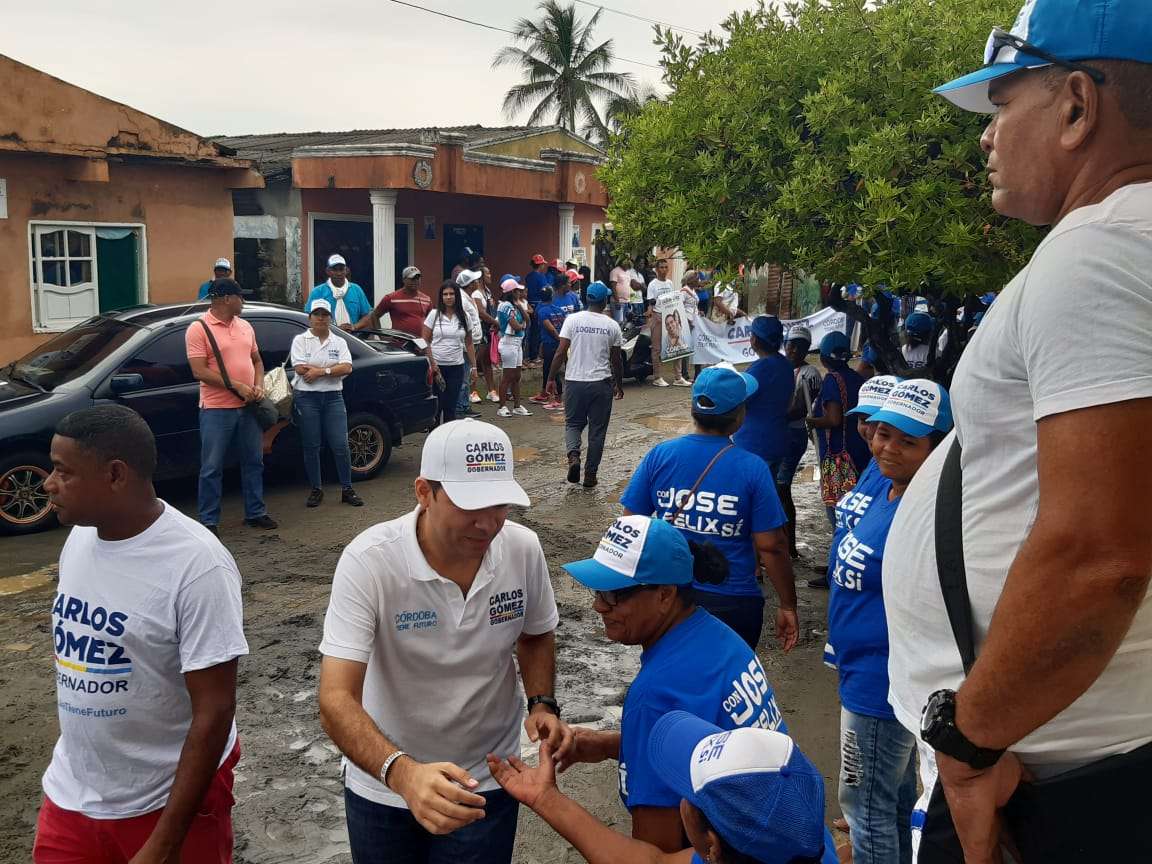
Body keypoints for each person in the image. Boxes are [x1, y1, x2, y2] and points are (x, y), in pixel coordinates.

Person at [884, 3, 1152, 861]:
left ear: (1077, 105)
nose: (986, 135)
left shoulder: (1103, 250)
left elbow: (1098, 555)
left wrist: (967, 746)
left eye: (1003, 103)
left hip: (1044, 782)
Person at [317, 419, 568, 864]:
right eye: (470, 505)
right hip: (384, 787)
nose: (487, 523)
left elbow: (535, 633)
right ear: (424, 492)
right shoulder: (370, 561)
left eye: (499, 505)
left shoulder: (523, 549)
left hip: (487, 781)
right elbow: (336, 698)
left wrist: (542, 702)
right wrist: (403, 774)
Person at [33, 405, 247, 864]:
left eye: (63, 471)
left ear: (115, 474)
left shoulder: (196, 565)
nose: (48, 484)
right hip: (72, 796)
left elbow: (215, 708)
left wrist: (163, 844)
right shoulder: (82, 538)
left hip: (164, 805)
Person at [553, 515, 789, 852]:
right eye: (597, 591)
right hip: (782, 836)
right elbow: (708, 743)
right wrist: (611, 746)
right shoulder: (720, 639)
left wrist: (545, 798)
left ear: (665, 595)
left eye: (612, 594)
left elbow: (655, 853)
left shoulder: (656, 693)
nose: (597, 605)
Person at [827, 380, 952, 864]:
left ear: (937, 447)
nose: (887, 447)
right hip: (865, 673)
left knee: (866, 807)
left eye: (907, 440)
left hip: (879, 685)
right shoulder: (890, 490)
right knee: (893, 801)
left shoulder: (927, 510)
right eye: (882, 433)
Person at [490, 709, 839, 864]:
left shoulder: (724, 849)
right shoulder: (801, 840)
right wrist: (546, 798)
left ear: (711, 847)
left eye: (684, 790)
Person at [621, 364, 798, 651]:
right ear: (739, 417)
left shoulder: (660, 455)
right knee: (726, 683)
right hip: (732, 604)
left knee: (672, 679)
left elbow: (631, 525)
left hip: (669, 598)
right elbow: (772, 546)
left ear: (693, 408)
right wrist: (788, 604)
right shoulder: (752, 468)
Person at [184, 278, 276, 534]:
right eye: (240, 297)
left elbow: (257, 361)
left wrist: (258, 385)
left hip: (249, 407)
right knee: (212, 467)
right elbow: (198, 370)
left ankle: (255, 512)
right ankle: (209, 520)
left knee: (254, 461)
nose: (243, 301)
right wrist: (237, 386)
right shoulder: (198, 328)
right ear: (226, 299)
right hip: (216, 408)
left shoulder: (245, 326)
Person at [808, 374, 900, 591]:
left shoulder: (897, 479)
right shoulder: (874, 466)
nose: (870, 431)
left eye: (880, 423)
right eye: (862, 420)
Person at [544, 281, 623, 489]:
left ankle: (573, 457)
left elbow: (560, 352)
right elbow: (617, 360)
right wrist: (619, 384)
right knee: (597, 431)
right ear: (605, 300)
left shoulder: (572, 320)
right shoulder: (612, 325)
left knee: (573, 424)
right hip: (601, 383)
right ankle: (590, 475)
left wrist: (551, 378)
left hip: (575, 382)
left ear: (587, 299)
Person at [290, 298, 364, 509]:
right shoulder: (300, 340)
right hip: (306, 398)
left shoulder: (339, 342)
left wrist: (321, 371)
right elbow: (300, 369)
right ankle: (316, 488)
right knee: (312, 445)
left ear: (330, 318)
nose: (321, 319)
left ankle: (347, 489)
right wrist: (332, 369)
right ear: (310, 318)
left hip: (333, 397)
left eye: (325, 315)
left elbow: (347, 367)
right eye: (317, 314)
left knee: (340, 445)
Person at [806, 331, 870, 520]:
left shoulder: (832, 380)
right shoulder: (857, 378)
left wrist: (811, 421)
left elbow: (834, 419)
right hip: (859, 449)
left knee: (837, 507)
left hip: (838, 456)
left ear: (824, 358)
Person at [777, 325, 822, 558]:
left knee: (781, 489)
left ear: (806, 349)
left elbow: (800, 409)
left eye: (799, 346)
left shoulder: (810, 374)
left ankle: (789, 546)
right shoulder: (780, 368)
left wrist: (769, 414)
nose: (793, 349)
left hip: (792, 436)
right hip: (777, 435)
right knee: (776, 489)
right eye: (790, 344)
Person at [732, 316, 794, 481]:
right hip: (777, 439)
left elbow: (738, 399)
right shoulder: (786, 365)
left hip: (754, 443)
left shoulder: (760, 368)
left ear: (754, 340)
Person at [422, 281, 477, 427]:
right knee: (437, 407)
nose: (448, 297)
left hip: (457, 367)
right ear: (441, 297)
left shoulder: (464, 317)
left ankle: (448, 440)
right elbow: (425, 340)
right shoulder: (434, 315)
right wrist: (433, 364)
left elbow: (469, 343)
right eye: (445, 294)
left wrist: (474, 367)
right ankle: (434, 439)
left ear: (456, 296)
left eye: (451, 294)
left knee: (451, 407)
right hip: (437, 367)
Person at [533, 273, 583, 407]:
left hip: (571, 336)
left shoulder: (573, 296)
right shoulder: (551, 299)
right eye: (568, 283)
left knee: (570, 366)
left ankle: (569, 395)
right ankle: (546, 392)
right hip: (556, 339)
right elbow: (544, 323)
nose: (570, 285)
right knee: (549, 366)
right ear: (561, 285)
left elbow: (578, 314)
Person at [357, 265, 433, 337]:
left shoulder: (426, 299)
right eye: (412, 278)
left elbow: (432, 321)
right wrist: (382, 336)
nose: (415, 281)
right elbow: (375, 315)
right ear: (404, 280)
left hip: (421, 343)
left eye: (418, 278)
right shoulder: (391, 298)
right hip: (398, 344)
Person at [646, 259, 687, 387]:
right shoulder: (653, 284)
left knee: (677, 345)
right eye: (661, 267)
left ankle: (678, 377)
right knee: (657, 349)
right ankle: (657, 377)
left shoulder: (670, 283)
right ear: (657, 269)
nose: (664, 270)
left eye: (665, 267)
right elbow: (651, 303)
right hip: (658, 317)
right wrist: (650, 313)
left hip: (669, 317)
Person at [307, 254, 373, 331]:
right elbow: (308, 317)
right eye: (334, 269)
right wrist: (335, 330)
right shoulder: (318, 292)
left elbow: (367, 315)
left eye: (341, 269)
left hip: (353, 338)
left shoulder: (356, 290)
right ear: (328, 271)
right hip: (326, 338)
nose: (338, 273)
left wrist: (354, 327)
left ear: (346, 270)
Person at [495, 278, 531, 418]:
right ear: (512, 292)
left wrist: (519, 306)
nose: (520, 293)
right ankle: (502, 406)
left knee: (516, 376)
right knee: (507, 376)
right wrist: (521, 326)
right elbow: (517, 326)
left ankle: (516, 406)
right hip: (509, 342)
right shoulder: (505, 306)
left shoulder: (515, 305)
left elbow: (527, 319)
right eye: (517, 291)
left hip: (517, 343)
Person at [453, 270, 485, 419]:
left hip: (474, 341)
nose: (478, 282)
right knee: (464, 377)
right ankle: (460, 408)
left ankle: (464, 405)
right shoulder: (462, 300)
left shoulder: (469, 297)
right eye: (475, 281)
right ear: (469, 284)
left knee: (467, 376)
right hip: (466, 344)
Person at [469, 267, 501, 403]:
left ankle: (491, 390)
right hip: (481, 328)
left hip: (489, 328)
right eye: (487, 273)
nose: (490, 275)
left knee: (487, 360)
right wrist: (495, 322)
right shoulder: (476, 294)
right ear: (481, 276)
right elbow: (481, 312)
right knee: (475, 359)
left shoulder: (487, 292)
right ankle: (472, 391)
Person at [523, 254, 552, 365]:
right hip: (539, 305)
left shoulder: (529, 276)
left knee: (529, 331)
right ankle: (534, 356)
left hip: (529, 305)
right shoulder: (541, 277)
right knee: (536, 332)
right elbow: (545, 291)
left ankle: (528, 355)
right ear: (540, 265)